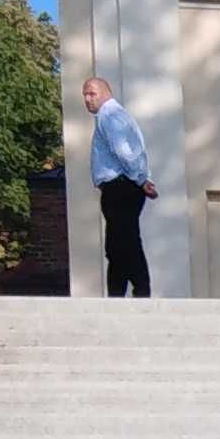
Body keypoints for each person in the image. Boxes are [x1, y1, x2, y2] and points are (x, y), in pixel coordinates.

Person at [84, 74, 153, 297]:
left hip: (120, 187)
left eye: (92, 93)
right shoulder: (118, 116)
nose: (87, 99)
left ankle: (141, 291)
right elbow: (137, 151)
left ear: (106, 93)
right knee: (117, 246)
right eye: (85, 94)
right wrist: (144, 179)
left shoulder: (109, 116)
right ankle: (117, 295)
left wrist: (141, 180)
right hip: (125, 185)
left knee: (125, 242)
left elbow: (124, 152)